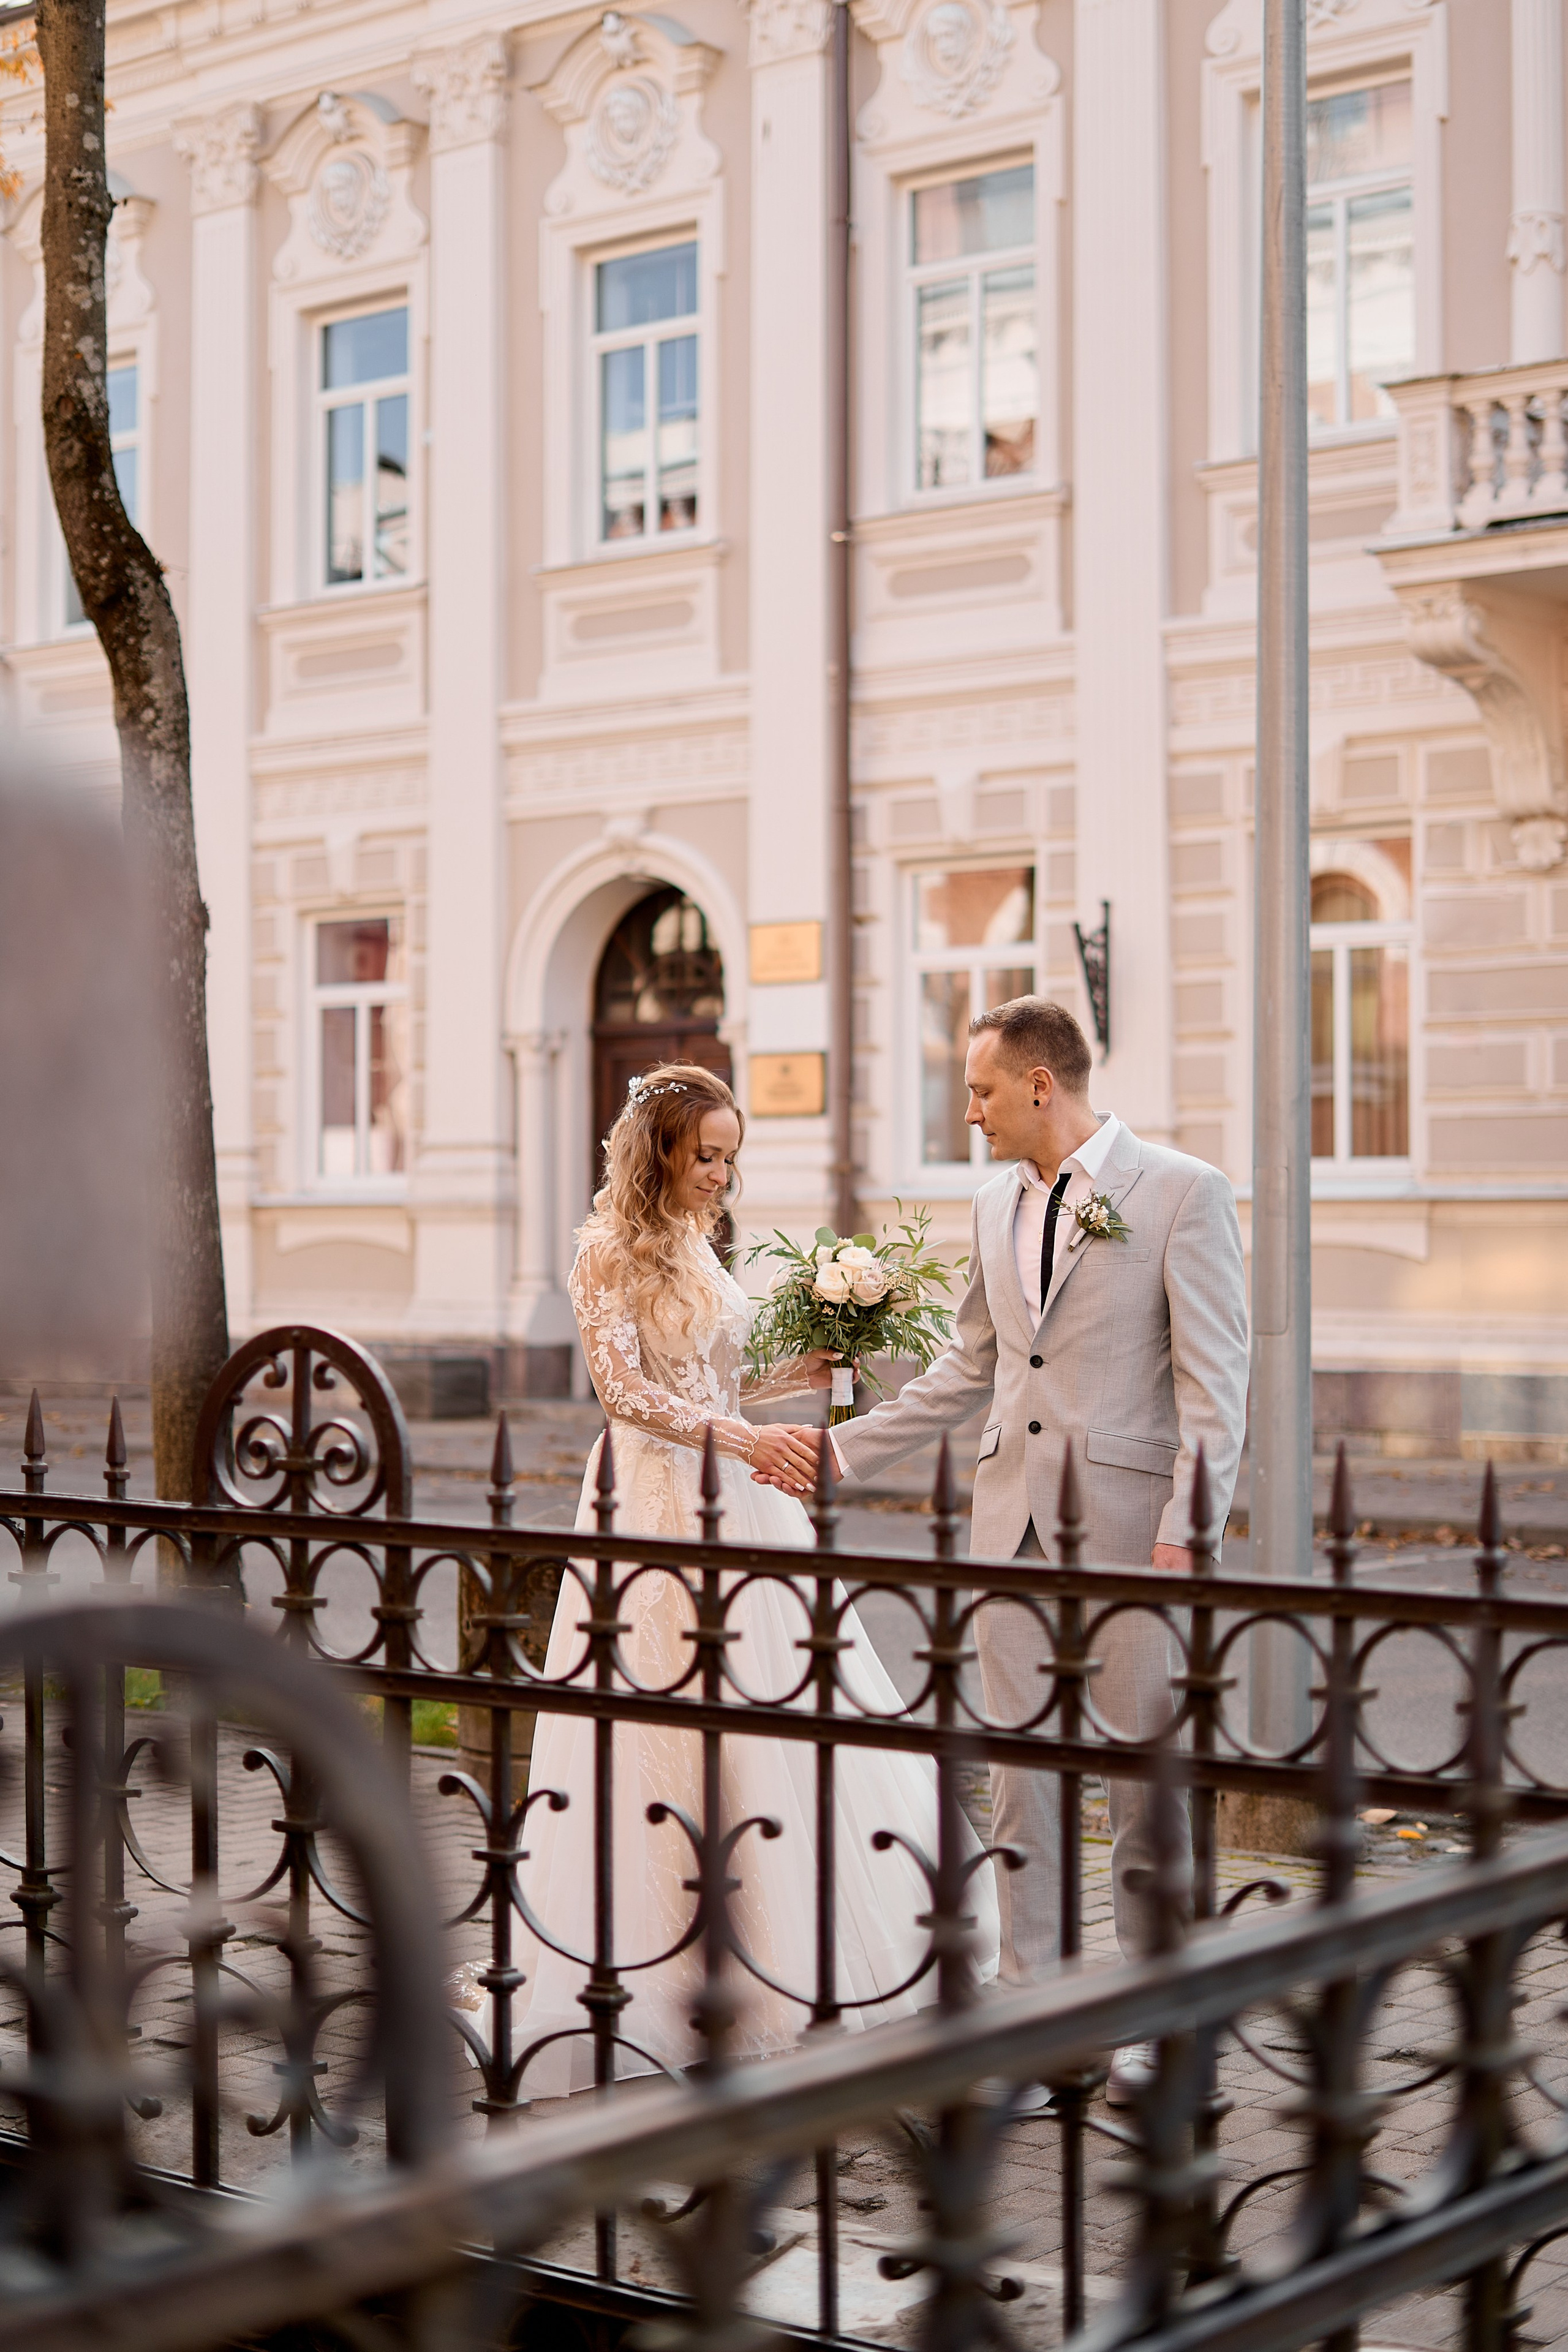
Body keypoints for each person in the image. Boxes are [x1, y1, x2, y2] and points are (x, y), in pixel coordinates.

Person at [766, 998, 1248, 2108]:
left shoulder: (1181, 1191)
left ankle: (1161, 2023)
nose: (969, 1111)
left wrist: (1188, 1530)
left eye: (981, 1091)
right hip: (1011, 1529)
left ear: (1041, 1085)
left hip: (1132, 1536)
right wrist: (840, 1453)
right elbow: (965, 1369)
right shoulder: (989, 1204)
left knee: (1143, 1783)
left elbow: (1216, 1388)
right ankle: (1037, 2028)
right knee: (1025, 1785)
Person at [511, 1062, 998, 2096]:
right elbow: (624, 1391)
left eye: (732, 1158)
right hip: (652, 1499)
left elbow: (725, 1377)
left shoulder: (701, 1244)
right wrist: (740, 1432)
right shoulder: (605, 1251)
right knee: (661, 1720)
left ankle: (783, 1953)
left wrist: (818, 1366)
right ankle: (659, 1964)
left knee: (774, 1712)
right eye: (709, 1157)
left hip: (741, 1489)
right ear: (664, 1153)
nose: (723, 1177)